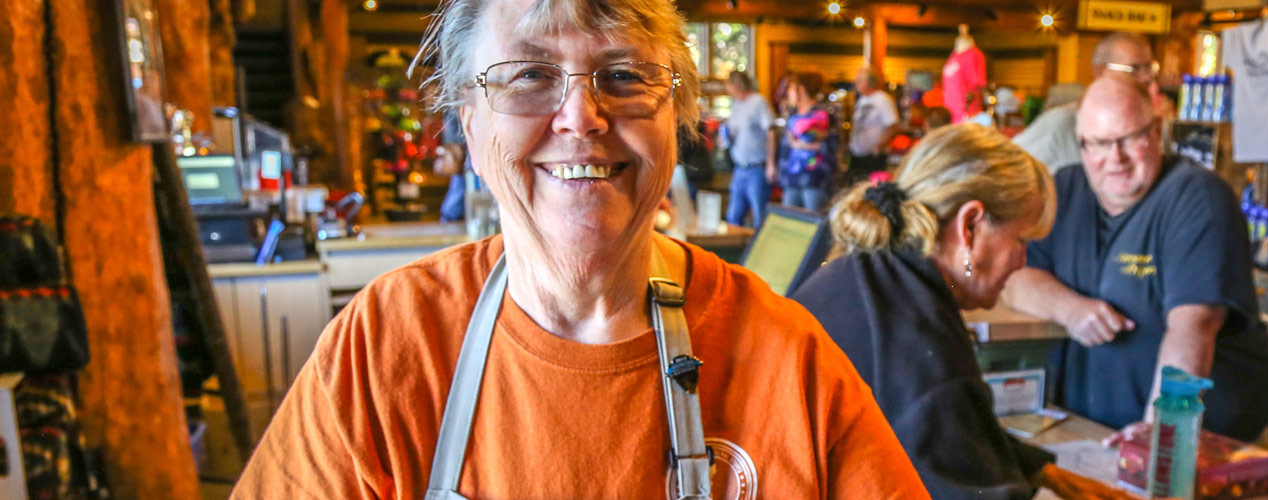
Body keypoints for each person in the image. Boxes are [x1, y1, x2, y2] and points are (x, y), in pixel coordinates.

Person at [229, 0, 931, 498]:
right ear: (470, 128)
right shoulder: (387, 346)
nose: (581, 118)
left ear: (676, 121)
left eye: (624, 75)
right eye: (529, 76)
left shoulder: (787, 358)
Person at [793, 123, 1131, 500]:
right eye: (1020, 240)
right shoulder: (920, 345)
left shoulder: (872, 275)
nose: (1022, 261)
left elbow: (963, 434)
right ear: (969, 226)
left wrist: (1053, 477)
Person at [1003, 75, 1268, 442]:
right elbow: (1018, 279)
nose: (1115, 158)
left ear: (1157, 130)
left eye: (1131, 138)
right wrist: (1070, 309)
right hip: (1095, 426)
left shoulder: (1198, 198)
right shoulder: (1066, 189)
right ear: (1081, 145)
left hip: (1197, 431)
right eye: (1099, 143)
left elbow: (1193, 327)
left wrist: (1162, 434)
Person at [1013, 33, 1158, 173]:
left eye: (1149, 68)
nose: (1147, 78)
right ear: (1101, 71)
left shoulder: (1151, 125)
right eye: (1135, 68)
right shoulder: (1061, 124)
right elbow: (1008, 168)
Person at [722, 70, 775, 229]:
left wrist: (771, 164)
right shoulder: (736, 105)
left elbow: (771, 131)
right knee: (733, 215)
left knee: (759, 216)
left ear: (736, 85)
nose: (727, 89)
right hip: (739, 168)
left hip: (757, 168)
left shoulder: (759, 101)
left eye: (728, 85)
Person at [779, 71, 834, 211]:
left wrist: (805, 145)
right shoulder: (793, 117)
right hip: (791, 181)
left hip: (814, 181)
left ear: (801, 90)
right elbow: (786, 148)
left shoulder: (823, 116)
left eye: (791, 88)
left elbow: (833, 146)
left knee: (814, 222)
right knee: (789, 222)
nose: (788, 93)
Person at [846, 67, 899, 189]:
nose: (856, 83)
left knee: (869, 189)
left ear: (870, 82)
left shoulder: (882, 99)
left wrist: (879, 146)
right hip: (857, 154)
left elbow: (893, 125)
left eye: (860, 80)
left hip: (872, 156)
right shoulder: (862, 100)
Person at [436, 112, 470, 222]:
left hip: (464, 157)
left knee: (453, 209)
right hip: (467, 156)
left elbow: (454, 145)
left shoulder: (453, 106)